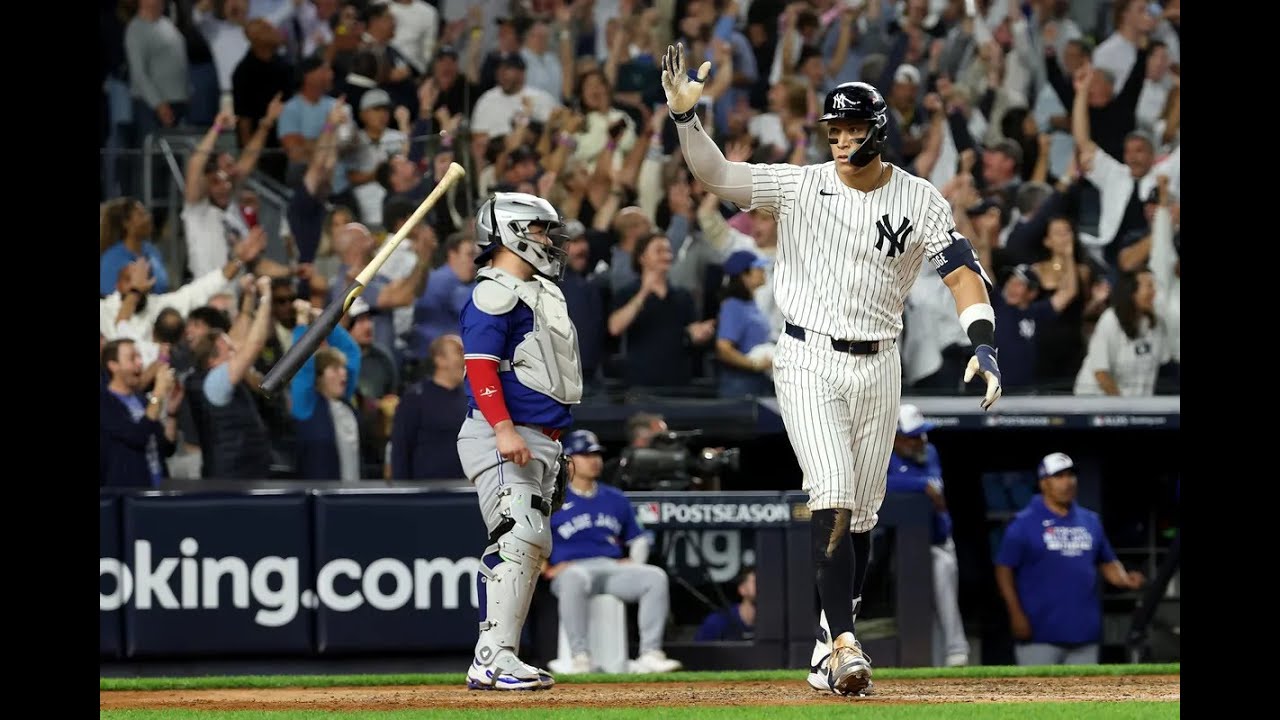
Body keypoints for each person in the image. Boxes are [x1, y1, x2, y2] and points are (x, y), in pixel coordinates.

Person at [660, 43, 1003, 697]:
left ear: (877, 131)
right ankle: (845, 643)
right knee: (834, 493)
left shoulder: (919, 196)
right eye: (834, 129)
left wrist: (982, 344)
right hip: (807, 355)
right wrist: (686, 121)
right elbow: (720, 176)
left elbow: (962, 272)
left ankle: (826, 638)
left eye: (852, 129)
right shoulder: (801, 183)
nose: (842, 139)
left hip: (880, 364)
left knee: (865, 515)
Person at [455, 192, 583, 691]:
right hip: (504, 435)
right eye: (538, 230)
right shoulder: (494, 293)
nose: (547, 241)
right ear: (509, 232)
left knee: (531, 542)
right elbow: (480, 369)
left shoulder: (535, 290)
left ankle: (501, 654)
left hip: (539, 438)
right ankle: (491, 657)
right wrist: (504, 428)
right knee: (518, 535)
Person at [543, 429, 682, 675]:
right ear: (569, 460)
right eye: (586, 454)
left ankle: (650, 654)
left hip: (610, 567)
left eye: (596, 454)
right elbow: (532, 540)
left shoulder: (614, 497)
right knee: (575, 577)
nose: (594, 460)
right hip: (571, 571)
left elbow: (637, 539)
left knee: (654, 577)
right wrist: (546, 568)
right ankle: (579, 657)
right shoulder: (553, 498)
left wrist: (636, 562)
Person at [995, 453, 1146, 665]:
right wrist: (1015, 613)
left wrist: (1124, 579)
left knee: (1084, 697)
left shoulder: (1090, 521)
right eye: (1059, 476)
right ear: (1044, 483)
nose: (1068, 482)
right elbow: (1004, 570)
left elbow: (1107, 562)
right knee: (1039, 697)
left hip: (1085, 634)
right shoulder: (1023, 523)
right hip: (1039, 634)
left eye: (1071, 475)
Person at [886, 405, 969, 667]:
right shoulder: (882, 457)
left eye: (922, 434)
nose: (920, 440)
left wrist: (925, 488)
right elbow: (874, 483)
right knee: (921, 605)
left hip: (938, 540)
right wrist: (921, 486)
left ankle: (951, 652)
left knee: (942, 582)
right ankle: (951, 650)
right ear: (893, 437)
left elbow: (936, 490)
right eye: (913, 436)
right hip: (898, 549)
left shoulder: (928, 452)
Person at [389, 334, 468, 480]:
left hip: (465, 490)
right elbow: (401, 449)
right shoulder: (415, 398)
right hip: (425, 493)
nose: (466, 358)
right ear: (440, 360)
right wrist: (401, 493)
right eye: (459, 352)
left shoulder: (471, 399)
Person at [695, 566, 757, 642]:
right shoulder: (717, 622)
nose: (763, 586)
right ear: (742, 589)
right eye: (756, 582)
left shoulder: (774, 625)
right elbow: (698, 653)